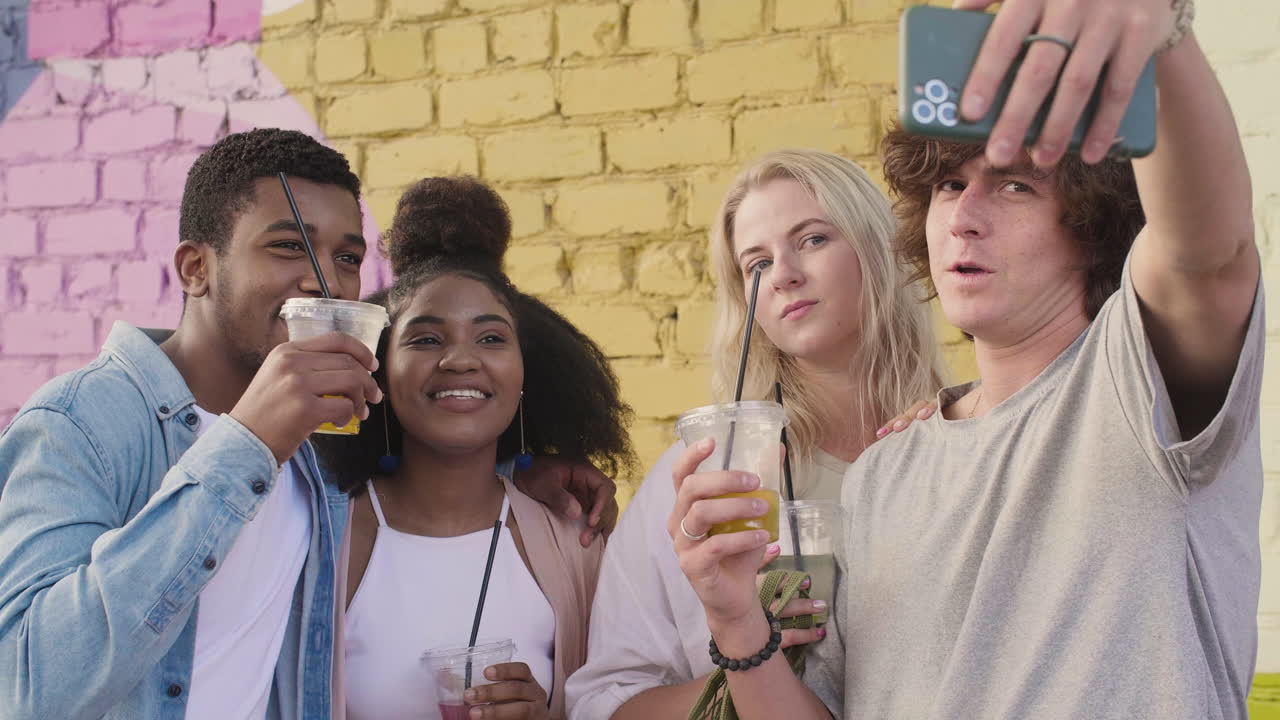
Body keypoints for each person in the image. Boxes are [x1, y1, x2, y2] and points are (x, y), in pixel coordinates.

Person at [670, 1, 1265, 718]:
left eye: (1016, 184)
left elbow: (1212, 254)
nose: (964, 214)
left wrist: (1160, 30)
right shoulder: (883, 473)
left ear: (1092, 222)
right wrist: (736, 622)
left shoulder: (1136, 390)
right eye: (949, 185)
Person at [0, 132, 617, 720]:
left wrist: (528, 467)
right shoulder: (80, 423)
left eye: (346, 257)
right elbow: (24, 689)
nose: (324, 281)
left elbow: (434, 457)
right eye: (289, 245)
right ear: (195, 269)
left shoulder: (316, 449)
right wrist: (246, 443)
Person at [565, 149, 944, 719]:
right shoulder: (710, 482)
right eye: (756, 263)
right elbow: (604, 704)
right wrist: (748, 663)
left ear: (879, 251)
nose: (785, 274)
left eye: (813, 239)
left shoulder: (958, 441)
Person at [315, 176, 635, 720]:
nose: (461, 360)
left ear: (525, 373)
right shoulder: (321, 537)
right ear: (379, 369)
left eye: (490, 338)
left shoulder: (574, 542)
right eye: (425, 338)